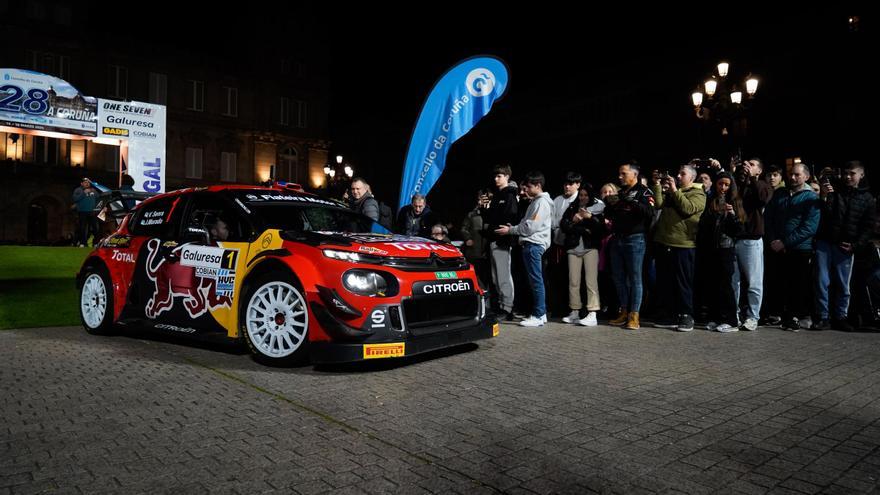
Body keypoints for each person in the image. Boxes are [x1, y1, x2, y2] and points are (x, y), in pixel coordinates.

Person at [812, 161, 877, 331]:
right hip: (825, 241)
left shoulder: (868, 198)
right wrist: (824, 196)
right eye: (846, 173)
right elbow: (824, 213)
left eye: (852, 173)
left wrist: (855, 246)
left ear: (861, 175)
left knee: (843, 284)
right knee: (822, 281)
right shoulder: (835, 190)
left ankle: (841, 316)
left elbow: (868, 227)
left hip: (845, 245)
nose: (848, 177)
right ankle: (823, 317)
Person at [764, 163, 821, 331]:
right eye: (791, 174)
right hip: (776, 247)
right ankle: (777, 314)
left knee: (798, 284)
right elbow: (769, 217)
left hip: (800, 248)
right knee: (778, 282)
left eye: (797, 175)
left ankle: (794, 316)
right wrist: (774, 240)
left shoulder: (811, 198)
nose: (793, 177)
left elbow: (809, 227)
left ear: (806, 177)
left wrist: (785, 242)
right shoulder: (780, 193)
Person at [650, 164, 706, 332]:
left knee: (683, 282)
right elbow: (658, 204)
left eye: (683, 174)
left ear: (692, 178)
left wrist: (675, 190)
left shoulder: (698, 193)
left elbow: (688, 208)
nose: (679, 176)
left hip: (684, 244)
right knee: (665, 281)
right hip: (664, 242)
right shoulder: (673, 192)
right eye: (679, 173)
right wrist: (658, 185)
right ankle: (670, 315)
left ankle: (686, 315)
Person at [495, 171, 553, 327]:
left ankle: (539, 314)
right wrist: (514, 228)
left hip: (534, 245)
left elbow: (530, 227)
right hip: (531, 245)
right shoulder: (537, 202)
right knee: (535, 281)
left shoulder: (541, 203)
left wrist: (511, 230)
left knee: (536, 281)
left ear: (538, 186)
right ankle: (541, 313)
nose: (524, 190)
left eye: (528, 187)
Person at [605, 161, 655, 330]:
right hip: (617, 238)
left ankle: (635, 315)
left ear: (635, 174)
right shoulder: (620, 193)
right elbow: (610, 214)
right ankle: (624, 311)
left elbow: (649, 213)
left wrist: (631, 202)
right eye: (619, 174)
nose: (620, 177)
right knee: (618, 277)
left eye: (623, 173)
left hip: (635, 239)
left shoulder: (644, 191)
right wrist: (610, 204)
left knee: (635, 278)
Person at [698, 172, 746, 333]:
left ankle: (731, 320)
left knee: (726, 285)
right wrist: (713, 213)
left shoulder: (735, 201)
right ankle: (716, 317)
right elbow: (703, 224)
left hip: (726, 248)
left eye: (726, 184)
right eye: (720, 184)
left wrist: (732, 215)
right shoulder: (710, 201)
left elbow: (740, 229)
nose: (723, 188)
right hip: (711, 249)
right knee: (712, 284)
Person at [731, 158, 773, 331]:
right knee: (733, 282)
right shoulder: (738, 185)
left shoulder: (763, 185)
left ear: (759, 171)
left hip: (751, 240)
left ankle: (753, 317)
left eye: (752, 165)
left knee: (754, 282)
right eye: (745, 164)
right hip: (733, 238)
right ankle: (734, 315)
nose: (747, 167)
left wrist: (753, 180)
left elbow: (763, 199)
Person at [559, 184, 605, 326]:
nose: (583, 197)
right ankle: (575, 311)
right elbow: (564, 225)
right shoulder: (572, 207)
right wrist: (579, 225)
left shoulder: (597, 208)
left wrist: (589, 218)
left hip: (590, 248)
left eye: (586, 195)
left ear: (590, 196)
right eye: (581, 195)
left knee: (591, 282)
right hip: (573, 248)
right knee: (573, 281)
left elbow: (600, 228)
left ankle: (592, 313)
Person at [480, 165, 520, 321]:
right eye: (495, 176)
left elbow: (511, 217)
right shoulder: (498, 195)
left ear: (507, 177)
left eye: (500, 176)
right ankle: (503, 306)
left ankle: (507, 308)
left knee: (503, 276)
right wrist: (484, 209)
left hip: (503, 240)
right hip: (494, 240)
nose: (496, 179)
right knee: (497, 277)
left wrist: (506, 230)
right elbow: (490, 218)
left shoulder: (510, 195)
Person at [549, 172, 582, 317]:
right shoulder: (557, 199)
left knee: (573, 278)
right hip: (557, 244)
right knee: (557, 277)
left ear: (578, 185)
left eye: (570, 184)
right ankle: (559, 308)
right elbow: (552, 221)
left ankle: (573, 308)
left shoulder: (580, 199)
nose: (567, 186)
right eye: (565, 184)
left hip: (573, 244)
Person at [461, 190, 490, 289]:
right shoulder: (472, 214)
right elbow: (464, 228)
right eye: (479, 199)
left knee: (488, 276)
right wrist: (467, 238)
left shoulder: (492, 214)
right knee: (475, 275)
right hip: (474, 251)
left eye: (482, 199)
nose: (480, 202)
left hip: (487, 251)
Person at [72, 177, 99, 247]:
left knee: (95, 228)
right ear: (81, 183)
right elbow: (75, 199)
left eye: (88, 182)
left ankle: (96, 242)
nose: (87, 184)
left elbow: (99, 199)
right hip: (82, 212)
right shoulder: (78, 190)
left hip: (92, 212)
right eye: (85, 182)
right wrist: (83, 193)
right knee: (82, 228)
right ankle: (83, 242)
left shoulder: (94, 190)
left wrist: (103, 207)